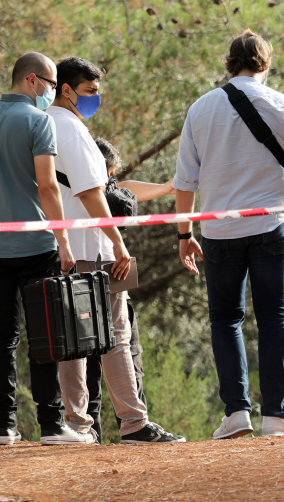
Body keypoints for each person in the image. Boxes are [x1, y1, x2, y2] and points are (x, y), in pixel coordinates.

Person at [174, 29, 284, 439]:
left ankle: (236, 414)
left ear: (230, 62)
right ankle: (276, 416)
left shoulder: (200, 109)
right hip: (271, 224)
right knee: (274, 317)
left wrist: (182, 234)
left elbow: (184, 182)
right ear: (267, 62)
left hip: (217, 229)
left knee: (225, 320)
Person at [46, 56, 185, 444]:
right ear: (66, 89)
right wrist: (119, 244)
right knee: (116, 335)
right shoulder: (73, 131)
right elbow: (94, 194)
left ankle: (76, 425)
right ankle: (133, 423)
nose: (96, 98)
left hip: (64, 248)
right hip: (94, 250)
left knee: (72, 339)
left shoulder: (43, 125)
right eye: (90, 91)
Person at [0, 51, 92, 446]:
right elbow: (49, 188)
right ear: (32, 81)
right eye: (51, 85)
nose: (53, 93)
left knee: (3, 335)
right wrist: (63, 241)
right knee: (43, 336)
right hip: (37, 245)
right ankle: (51, 426)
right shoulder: (39, 122)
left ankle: (5, 427)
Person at [81, 138, 175, 442]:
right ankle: (103, 427)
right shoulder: (85, 189)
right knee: (98, 355)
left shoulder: (100, 185)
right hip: (99, 268)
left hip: (110, 271)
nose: (112, 183)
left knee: (124, 352)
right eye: (109, 174)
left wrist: (164, 187)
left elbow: (128, 187)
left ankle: (114, 426)